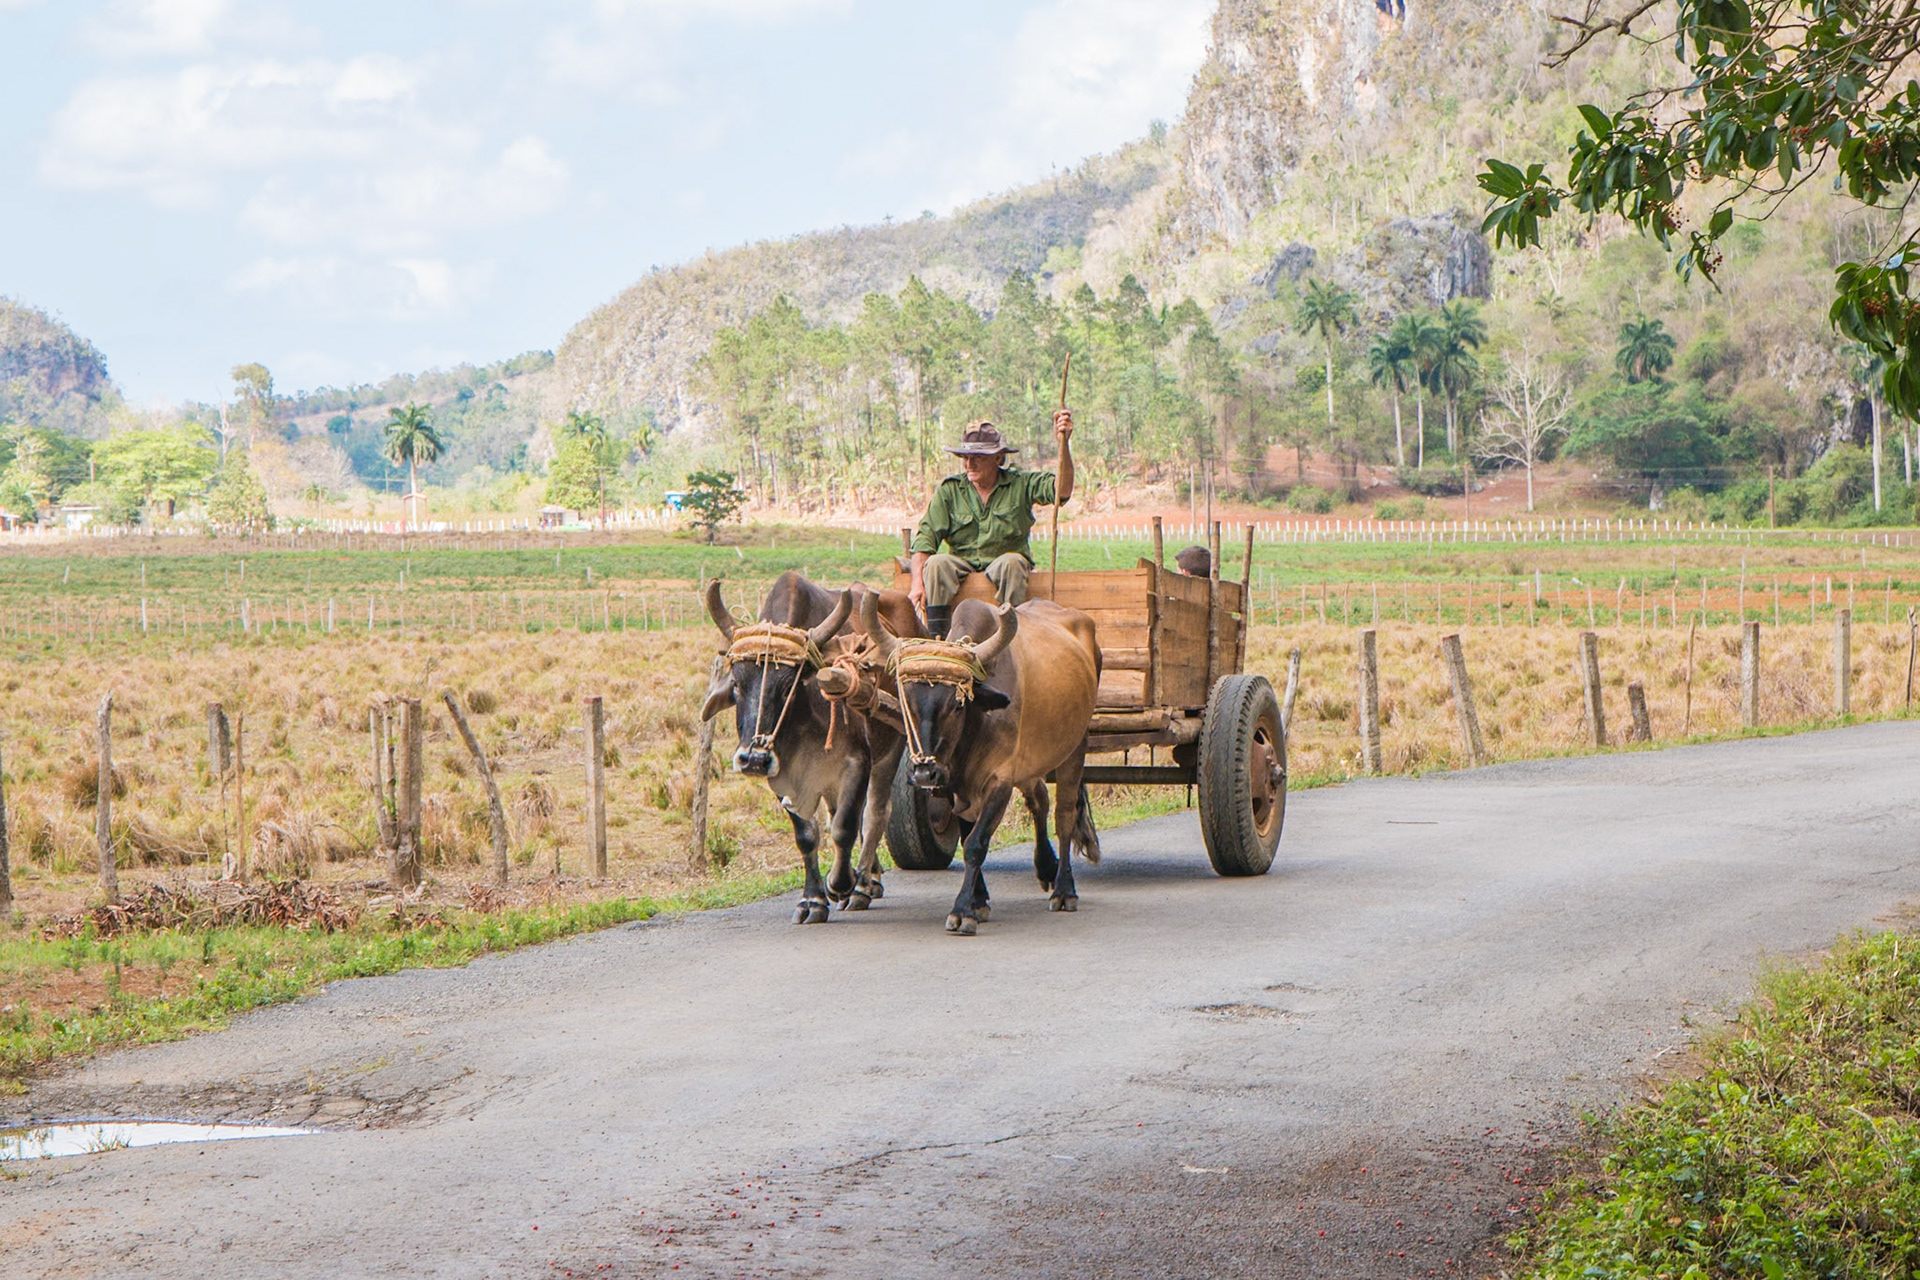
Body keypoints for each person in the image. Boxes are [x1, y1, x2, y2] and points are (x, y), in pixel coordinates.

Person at [908, 411, 1074, 638]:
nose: (969, 463)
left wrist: (1063, 444)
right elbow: (925, 540)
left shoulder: (1020, 484)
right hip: (962, 565)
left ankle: (1009, 636)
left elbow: (1061, 491)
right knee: (936, 564)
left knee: (1012, 562)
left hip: (1003, 566)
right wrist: (917, 583)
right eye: (966, 457)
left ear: (998, 458)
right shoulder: (950, 490)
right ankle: (938, 638)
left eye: (978, 457)